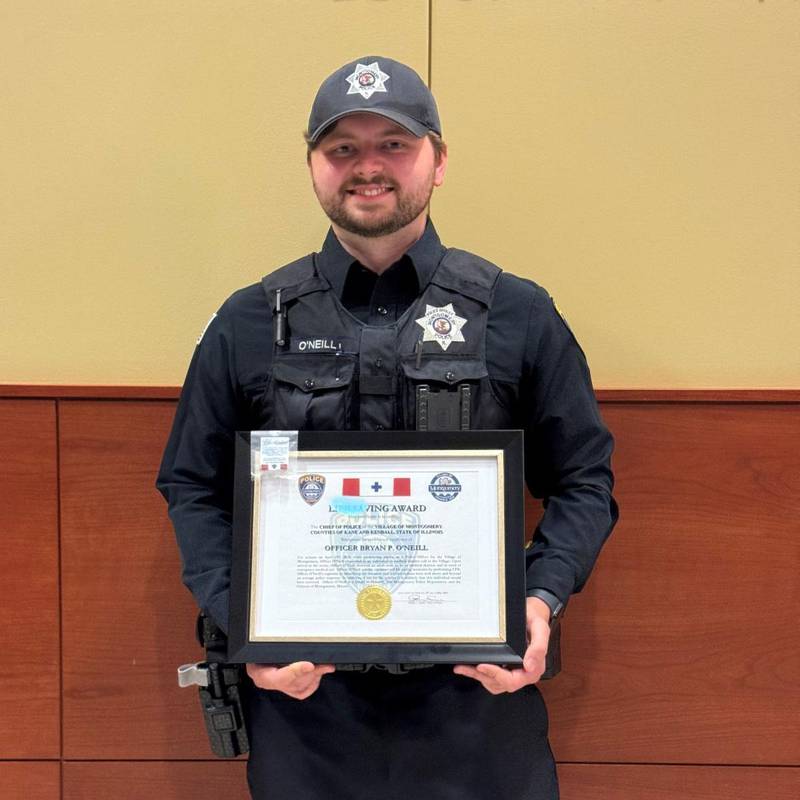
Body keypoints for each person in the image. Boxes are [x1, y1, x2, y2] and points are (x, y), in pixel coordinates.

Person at [157, 55, 618, 800]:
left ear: (438, 161)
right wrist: (243, 621)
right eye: (342, 148)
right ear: (313, 166)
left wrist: (539, 601)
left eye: (394, 145)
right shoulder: (248, 322)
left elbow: (583, 481)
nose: (367, 167)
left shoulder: (517, 312)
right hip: (307, 708)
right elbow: (191, 485)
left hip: (474, 703)